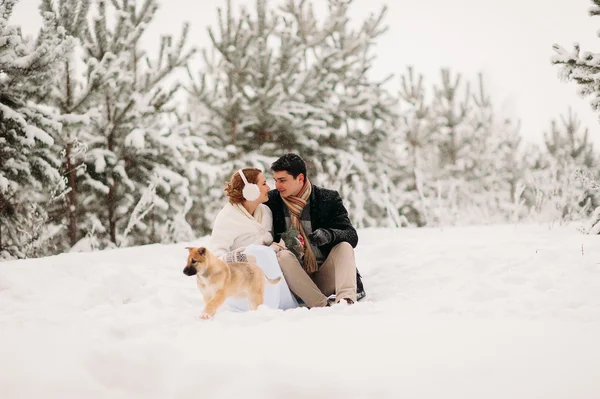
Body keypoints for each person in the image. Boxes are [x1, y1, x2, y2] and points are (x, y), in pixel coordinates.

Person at [265, 153, 366, 308]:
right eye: (276, 180)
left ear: (300, 178)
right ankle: (321, 305)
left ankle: (346, 302)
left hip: (324, 274)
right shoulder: (272, 201)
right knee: (282, 256)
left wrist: (329, 235)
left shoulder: (327, 199)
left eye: (282, 180)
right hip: (294, 280)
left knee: (344, 247)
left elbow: (351, 236)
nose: (277, 185)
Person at [209, 168, 299, 311]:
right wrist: (236, 256)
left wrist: (276, 247)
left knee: (265, 253)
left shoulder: (266, 211)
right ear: (250, 189)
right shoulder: (227, 217)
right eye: (264, 183)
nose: (269, 187)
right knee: (257, 252)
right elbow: (215, 258)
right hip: (240, 284)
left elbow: (269, 246)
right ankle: (266, 306)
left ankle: (279, 303)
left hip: (267, 277)